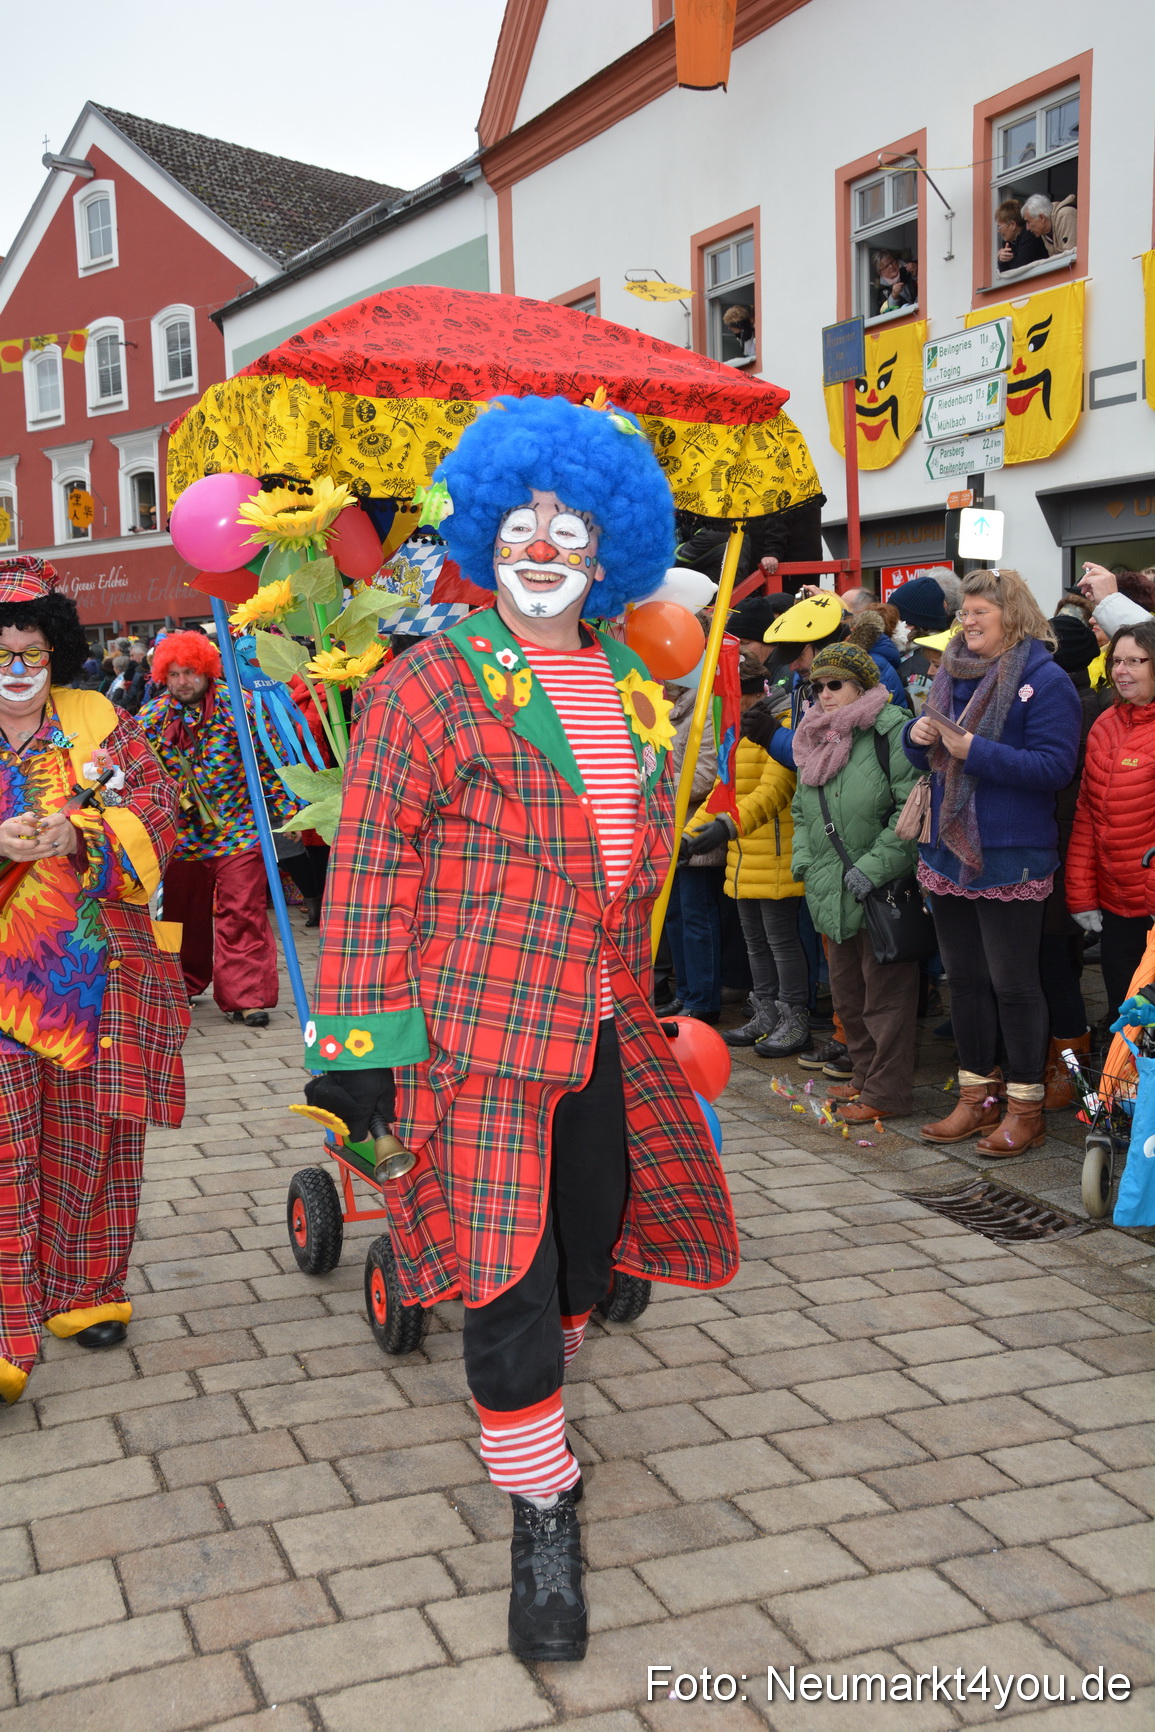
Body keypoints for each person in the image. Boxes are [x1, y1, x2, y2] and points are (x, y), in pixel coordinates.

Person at [301, 395, 738, 1666]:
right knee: (505, 1264)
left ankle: (555, 1369)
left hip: (605, 1021)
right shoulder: (429, 684)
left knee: (590, 1246)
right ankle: (540, 1497)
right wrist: (362, 1059)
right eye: (526, 520)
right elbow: (373, 874)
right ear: (490, 531)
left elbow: (629, 859)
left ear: (612, 555)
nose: (546, 544)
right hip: (476, 1034)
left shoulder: (626, 688)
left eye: (576, 527)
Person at [0, 557, 188, 1403]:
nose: (15, 669)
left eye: (30, 652)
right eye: (0, 651)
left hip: (91, 974)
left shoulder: (99, 721)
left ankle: (85, 1287)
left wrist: (80, 834)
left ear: (56, 652)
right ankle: (7, 1321)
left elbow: (158, 810)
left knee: (94, 1140)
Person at [905, 569, 1081, 1153]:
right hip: (948, 848)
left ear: (1015, 616)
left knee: (1014, 985)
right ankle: (977, 1099)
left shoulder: (1045, 679)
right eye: (965, 612)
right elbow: (920, 753)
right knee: (966, 982)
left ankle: (1026, 1109)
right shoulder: (950, 669)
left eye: (981, 611)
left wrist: (973, 751)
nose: (968, 621)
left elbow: (1054, 768)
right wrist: (918, 732)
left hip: (1013, 854)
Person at [137, 631, 296, 1028]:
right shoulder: (151, 719)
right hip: (181, 837)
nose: (181, 683)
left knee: (242, 911)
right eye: (172, 675)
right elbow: (135, 772)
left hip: (238, 829)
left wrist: (288, 809)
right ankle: (185, 983)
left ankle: (247, 997)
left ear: (206, 671)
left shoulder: (238, 708)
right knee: (181, 914)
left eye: (189, 673)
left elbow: (268, 762)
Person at [790, 642, 921, 1120]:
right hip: (828, 886)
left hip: (881, 889)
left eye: (834, 684)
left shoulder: (894, 733)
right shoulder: (813, 736)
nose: (823, 694)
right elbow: (802, 810)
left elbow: (911, 815)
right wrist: (804, 862)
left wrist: (868, 870)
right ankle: (864, 1081)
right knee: (848, 995)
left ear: (862, 687)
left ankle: (886, 1094)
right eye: (816, 685)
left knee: (886, 998)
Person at [683, 613, 808, 1056]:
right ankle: (766, 1011)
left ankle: (794, 1016)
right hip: (744, 852)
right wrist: (689, 834)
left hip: (775, 850)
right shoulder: (734, 728)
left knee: (781, 940)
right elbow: (724, 786)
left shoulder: (782, 721)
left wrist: (723, 828)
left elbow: (775, 789)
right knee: (755, 940)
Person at [1065, 618, 1155, 1026]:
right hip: (1117, 906)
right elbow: (1087, 815)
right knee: (1127, 1013)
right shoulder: (1105, 723)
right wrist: (1081, 893)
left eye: (1134, 661)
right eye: (1116, 660)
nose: (1121, 671)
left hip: (1151, 903)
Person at [1038, 613, 1105, 1105]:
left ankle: (1070, 1066)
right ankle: (1063, 1058)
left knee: (1052, 960)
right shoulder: (1079, 699)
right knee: (1055, 957)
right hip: (1057, 846)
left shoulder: (1076, 705)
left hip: (1065, 849)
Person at [995, 197, 1049, 272]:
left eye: (1000, 227)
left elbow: (1022, 266)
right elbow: (1005, 273)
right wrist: (1001, 260)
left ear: (1012, 225)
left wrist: (1009, 260)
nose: (999, 231)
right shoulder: (1007, 243)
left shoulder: (1030, 234)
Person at [1022, 192, 1077, 257]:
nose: (1027, 228)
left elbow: (1071, 256)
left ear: (1042, 217)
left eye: (1028, 222)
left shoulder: (1066, 215)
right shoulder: (1045, 231)